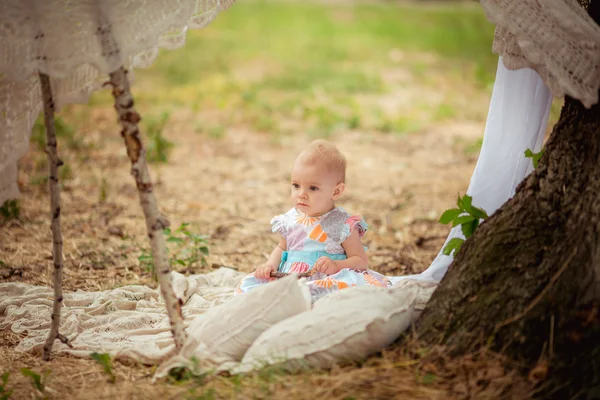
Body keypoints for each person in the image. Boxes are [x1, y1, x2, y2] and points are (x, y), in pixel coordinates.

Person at [234, 139, 391, 301]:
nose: (301, 193)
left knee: (336, 295)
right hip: (291, 279)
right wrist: (270, 265)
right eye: (296, 185)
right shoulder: (290, 219)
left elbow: (360, 261)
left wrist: (337, 265)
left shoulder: (342, 224)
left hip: (328, 279)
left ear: (336, 191)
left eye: (313, 188)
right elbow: (282, 247)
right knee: (255, 289)